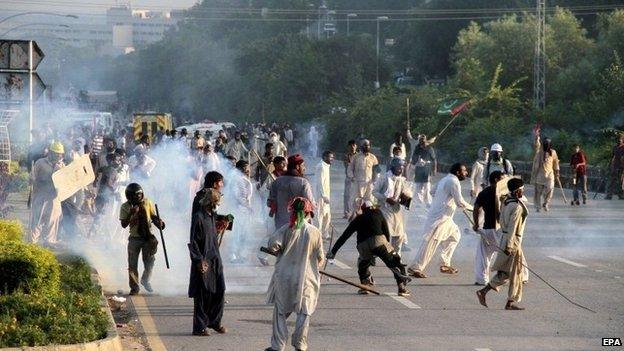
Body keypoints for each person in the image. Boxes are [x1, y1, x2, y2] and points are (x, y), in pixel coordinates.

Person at [264, 197, 324, 351]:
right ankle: (300, 344)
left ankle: (277, 346)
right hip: (306, 278)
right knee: (304, 312)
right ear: (308, 213)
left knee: (280, 312)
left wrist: (278, 251)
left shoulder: (285, 229)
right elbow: (320, 258)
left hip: (285, 276)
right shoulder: (315, 232)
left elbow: (273, 246)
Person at [327, 200, 411, 296]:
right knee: (394, 262)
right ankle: (401, 288)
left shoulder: (358, 219)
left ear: (363, 210)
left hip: (363, 246)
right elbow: (386, 231)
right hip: (379, 242)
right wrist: (386, 247)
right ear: (373, 207)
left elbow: (344, 236)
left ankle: (365, 286)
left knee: (362, 264)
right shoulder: (378, 213)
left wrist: (333, 252)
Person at [408, 163, 473, 278]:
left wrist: (444, 199)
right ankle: (415, 268)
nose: (466, 173)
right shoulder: (453, 181)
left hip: (446, 218)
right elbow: (460, 202)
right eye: (464, 171)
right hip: (440, 218)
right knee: (430, 244)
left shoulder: (445, 179)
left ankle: (444, 264)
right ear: (458, 172)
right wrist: (474, 208)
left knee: (455, 236)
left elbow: (432, 192)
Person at [476, 178, 528, 310]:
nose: (523, 192)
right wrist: (510, 246)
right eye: (522, 190)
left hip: (505, 238)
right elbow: (512, 227)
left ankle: (485, 291)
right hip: (512, 241)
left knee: (506, 271)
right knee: (516, 271)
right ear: (517, 192)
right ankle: (510, 301)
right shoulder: (516, 206)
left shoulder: (506, 201)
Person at [188, 188, 229, 336]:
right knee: (202, 294)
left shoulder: (212, 216)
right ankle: (199, 327)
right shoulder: (198, 217)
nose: (218, 204)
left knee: (220, 289)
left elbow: (212, 234)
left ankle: (214, 322)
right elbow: (193, 242)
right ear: (210, 202)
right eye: (217, 202)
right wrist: (199, 260)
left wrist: (220, 228)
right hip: (203, 260)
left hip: (215, 259)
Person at [119, 183, 165, 295]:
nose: (138, 198)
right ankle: (134, 287)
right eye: (135, 196)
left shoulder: (147, 202)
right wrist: (131, 213)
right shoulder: (125, 207)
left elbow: (153, 216)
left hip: (148, 238)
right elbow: (124, 224)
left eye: (140, 195)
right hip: (134, 239)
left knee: (150, 262)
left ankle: (145, 280)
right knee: (132, 265)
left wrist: (160, 222)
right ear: (129, 197)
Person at [373, 157, 411, 255]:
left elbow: (406, 193)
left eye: (402, 167)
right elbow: (374, 192)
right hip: (384, 209)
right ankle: (373, 253)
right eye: (398, 167)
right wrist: (386, 199)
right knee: (386, 234)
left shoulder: (402, 179)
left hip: (396, 210)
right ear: (393, 167)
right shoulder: (384, 177)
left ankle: (396, 257)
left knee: (400, 235)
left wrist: (406, 199)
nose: (400, 169)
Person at [30, 141, 65, 246]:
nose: (59, 156)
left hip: (54, 198)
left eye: (60, 154)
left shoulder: (62, 165)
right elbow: (32, 177)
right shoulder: (40, 163)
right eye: (56, 153)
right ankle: (32, 243)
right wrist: (35, 181)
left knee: (53, 220)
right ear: (50, 152)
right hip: (41, 196)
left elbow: (65, 182)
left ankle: (49, 242)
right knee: (37, 221)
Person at [472, 171, 504, 286]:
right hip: (500, 229)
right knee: (511, 253)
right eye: (502, 178)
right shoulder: (501, 191)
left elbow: (476, 208)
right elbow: (498, 208)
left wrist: (476, 224)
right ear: (496, 179)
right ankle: (522, 276)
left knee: (483, 256)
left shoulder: (483, 192)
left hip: (487, 229)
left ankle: (482, 279)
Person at [268, 154, 315, 229]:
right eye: (303, 166)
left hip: (280, 224)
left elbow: (269, 203)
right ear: (297, 167)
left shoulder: (277, 181)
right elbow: (310, 203)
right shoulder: (303, 182)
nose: (304, 168)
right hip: (298, 224)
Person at [347, 139, 379, 218]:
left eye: (367, 145)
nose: (366, 146)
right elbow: (350, 169)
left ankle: (370, 218)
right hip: (357, 183)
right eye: (364, 145)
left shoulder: (373, 157)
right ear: (361, 147)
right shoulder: (356, 157)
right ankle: (355, 219)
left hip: (369, 184)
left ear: (370, 146)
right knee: (356, 203)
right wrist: (352, 177)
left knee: (371, 202)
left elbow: (377, 171)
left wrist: (375, 180)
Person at [531, 130, 560, 212]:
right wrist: (537, 136)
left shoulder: (553, 152)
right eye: (545, 143)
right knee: (538, 192)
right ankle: (537, 206)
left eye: (548, 144)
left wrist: (557, 172)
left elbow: (556, 162)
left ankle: (546, 203)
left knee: (550, 188)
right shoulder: (539, 151)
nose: (546, 145)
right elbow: (536, 144)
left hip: (549, 175)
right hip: (539, 175)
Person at [230, 160, 253, 263]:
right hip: (239, 210)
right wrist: (247, 206)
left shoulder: (242, 179)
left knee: (242, 233)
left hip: (242, 210)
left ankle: (239, 254)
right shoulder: (238, 179)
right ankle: (233, 255)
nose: (248, 170)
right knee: (237, 232)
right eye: (246, 167)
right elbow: (239, 196)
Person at [410, 134, 437, 207]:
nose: (422, 141)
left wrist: (434, 169)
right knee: (418, 186)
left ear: (425, 140)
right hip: (418, 169)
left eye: (423, 140)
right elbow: (414, 158)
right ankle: (419, 202)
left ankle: (428, 202)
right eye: (420, 140)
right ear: (419, 140)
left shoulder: (430, 148)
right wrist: (412, 165)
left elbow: (434, 159)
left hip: (427, 169)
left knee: (427, 187)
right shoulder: (417, 148)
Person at [314, 151, 334, 240]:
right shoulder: (321, 167)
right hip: (320, 196)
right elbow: (320, 183)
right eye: (330, 157)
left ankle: (325, 234)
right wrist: (323, 195)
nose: (332, 159)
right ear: (325, 157)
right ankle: (318, 236)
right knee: (319, 216)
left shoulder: (326, 167)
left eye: (332, 157)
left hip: (326, 196)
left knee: (327, 215)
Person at [605, 135, 624, 200]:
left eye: (620, 139)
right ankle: (609, 195)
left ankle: (621, 195)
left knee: (620, 182)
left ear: (622, 140)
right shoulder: (615, 147)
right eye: (618, 139)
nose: (619, 140)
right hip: (614, 166)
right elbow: (613, 157)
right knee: (611, 181)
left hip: (621, 167)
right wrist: (610, 165)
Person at [342, 140, 357, 218]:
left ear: (356, 146)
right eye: (351, 145)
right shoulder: (346, 156)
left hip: (357, 178)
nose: (352, 147)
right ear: (348, 147)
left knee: (356, 196)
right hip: (349, 178)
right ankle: (347, 212)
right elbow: (347, 166)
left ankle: (355, 211)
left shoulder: (358, 155)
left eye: (354, 145)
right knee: (347, 195)